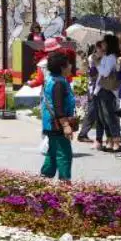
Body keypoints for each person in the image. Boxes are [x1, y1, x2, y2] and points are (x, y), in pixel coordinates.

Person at [41, 52, 77, 182]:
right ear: (62, 67)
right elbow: (58, 107)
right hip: (57, 124)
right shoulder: (59, 83)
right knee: (64, 153)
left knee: (53, 151)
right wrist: (66, 125)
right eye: (68, 64)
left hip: (50, 123)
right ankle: (64, 182)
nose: (71, 66)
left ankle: (44, 178)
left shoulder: (51, 79)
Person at [95, 34, 121, 153]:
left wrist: (98, 63)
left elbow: (105, 73)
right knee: (103, 117)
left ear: (109, 44)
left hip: (108, 90)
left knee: (109, 116)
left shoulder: (111, 57)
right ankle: (109, 140)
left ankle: (116, 141)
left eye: (104, 42)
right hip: (101, 89)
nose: (102, 44)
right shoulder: (106, 56)